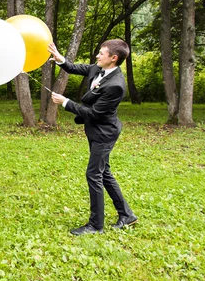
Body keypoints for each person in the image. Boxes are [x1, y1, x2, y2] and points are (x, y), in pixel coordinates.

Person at [47, 39, 137, 236]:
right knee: (104, 173)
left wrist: (65, 103)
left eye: (101, 53)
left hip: (105, 133)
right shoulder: (98, 69)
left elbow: (94, 113)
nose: (97, 56)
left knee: (94, 174)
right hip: (96, 131)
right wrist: (61, 60)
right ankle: (127, 215)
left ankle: (96, 225)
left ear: (113, 58)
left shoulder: (116, 86)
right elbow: (76, 68)